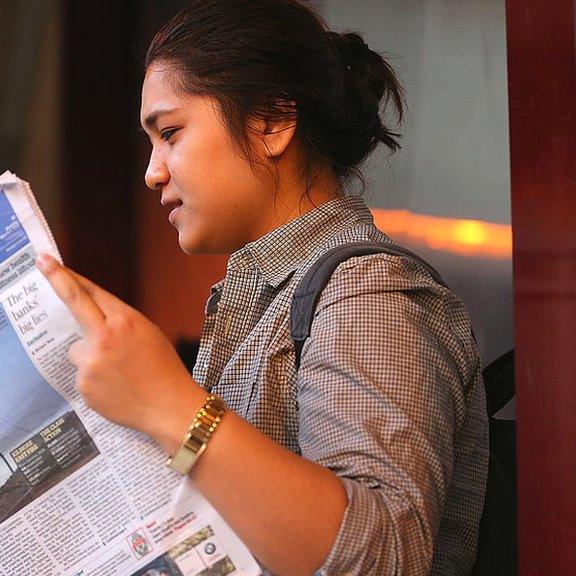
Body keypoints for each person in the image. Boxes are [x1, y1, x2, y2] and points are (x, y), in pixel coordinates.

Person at [35, 1, 488, 575]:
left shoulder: (369, 292)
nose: (152, 171)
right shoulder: (261, 300)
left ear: (273, 123)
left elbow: (381, 555)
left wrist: (170, 405)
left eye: (170, 132)